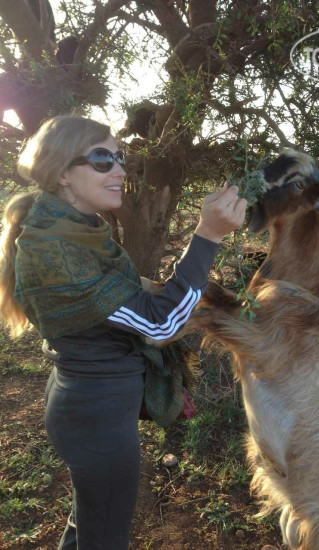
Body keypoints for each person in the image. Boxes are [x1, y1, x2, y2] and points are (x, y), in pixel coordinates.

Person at [0, 115, 247, 550]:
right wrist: (207, 236)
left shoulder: (77, 229)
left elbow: (132, 298)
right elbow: (159, 323)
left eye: (120, 158)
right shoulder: (55, 252)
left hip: (95, 403)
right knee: (103, 537)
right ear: (62, 173)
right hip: (95, 413)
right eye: (102, 160)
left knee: (90, 525)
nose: (120, 169)